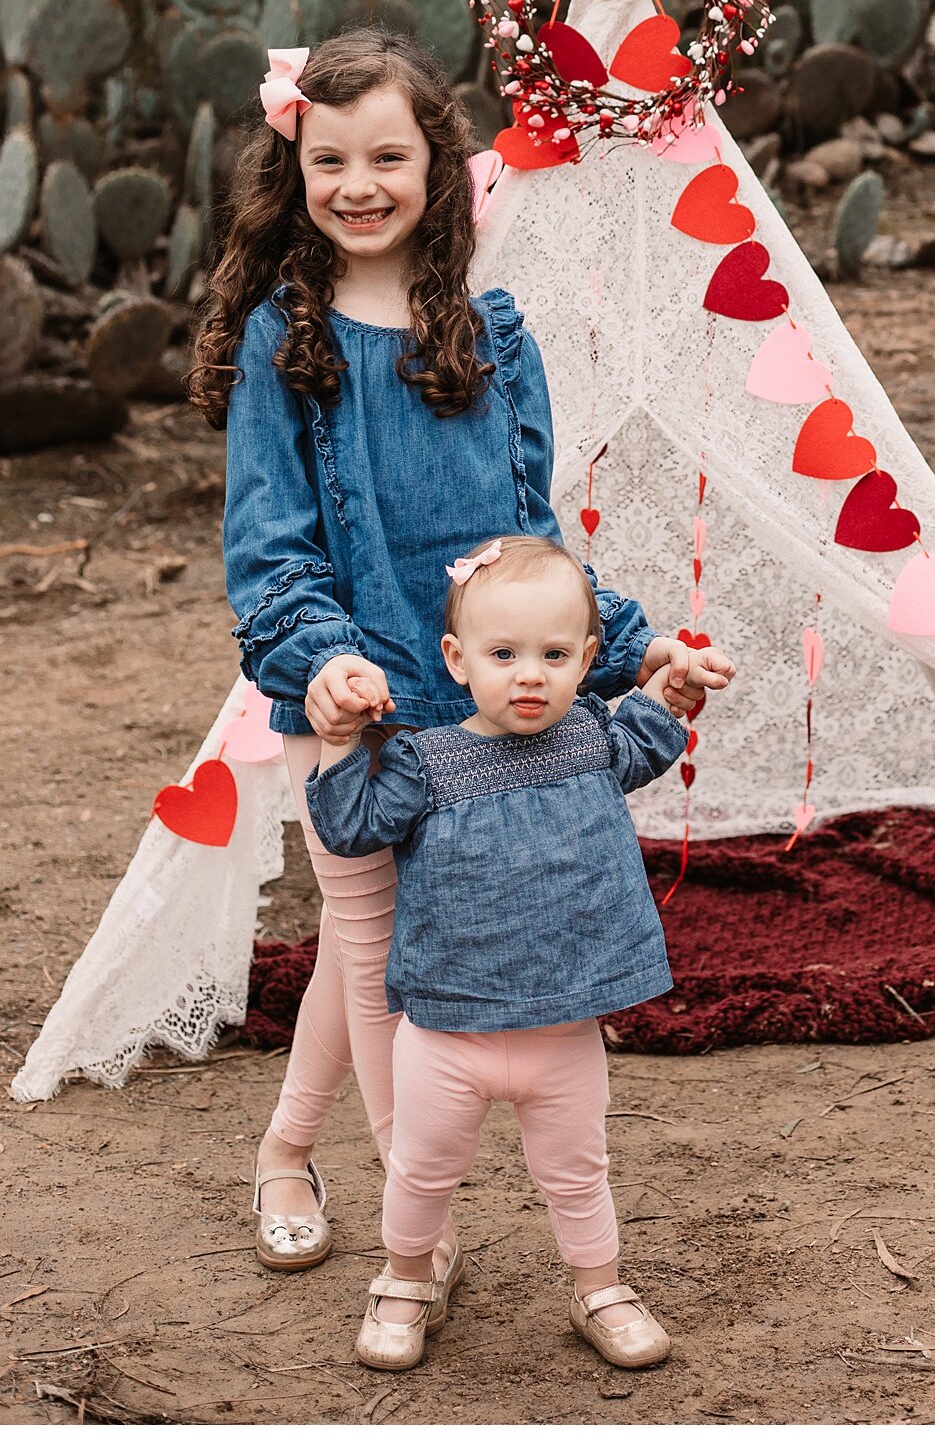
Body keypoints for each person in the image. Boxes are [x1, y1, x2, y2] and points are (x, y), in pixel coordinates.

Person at [185, 31, 733, 1277]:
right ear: (297, 171)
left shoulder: (489, 331)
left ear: (440, 165)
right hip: (354, 709)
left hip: (486, 705)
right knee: (377, 950)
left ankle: (283, 1147)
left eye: (389, 155)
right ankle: (413, 1244)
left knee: (371, 941)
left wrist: (627, 650)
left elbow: (528, 536)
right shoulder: (290, 340)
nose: (359, 184)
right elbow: (269, 546)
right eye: (330, 160)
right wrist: (320, 660)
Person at [308, 534, 685, 1371]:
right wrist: (338, 745)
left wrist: (665, 692)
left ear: (589, 660)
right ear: (456, 658)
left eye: (554, 655)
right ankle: (406, 1279)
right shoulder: (424, 761)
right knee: (421, 1171)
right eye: (504, 653)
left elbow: (649, 744)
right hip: (449, 1031)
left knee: (579, 1171)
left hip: (563, 1029)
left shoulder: (592, 736)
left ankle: (600, 1287)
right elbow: (350, 826)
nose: (529, 675)